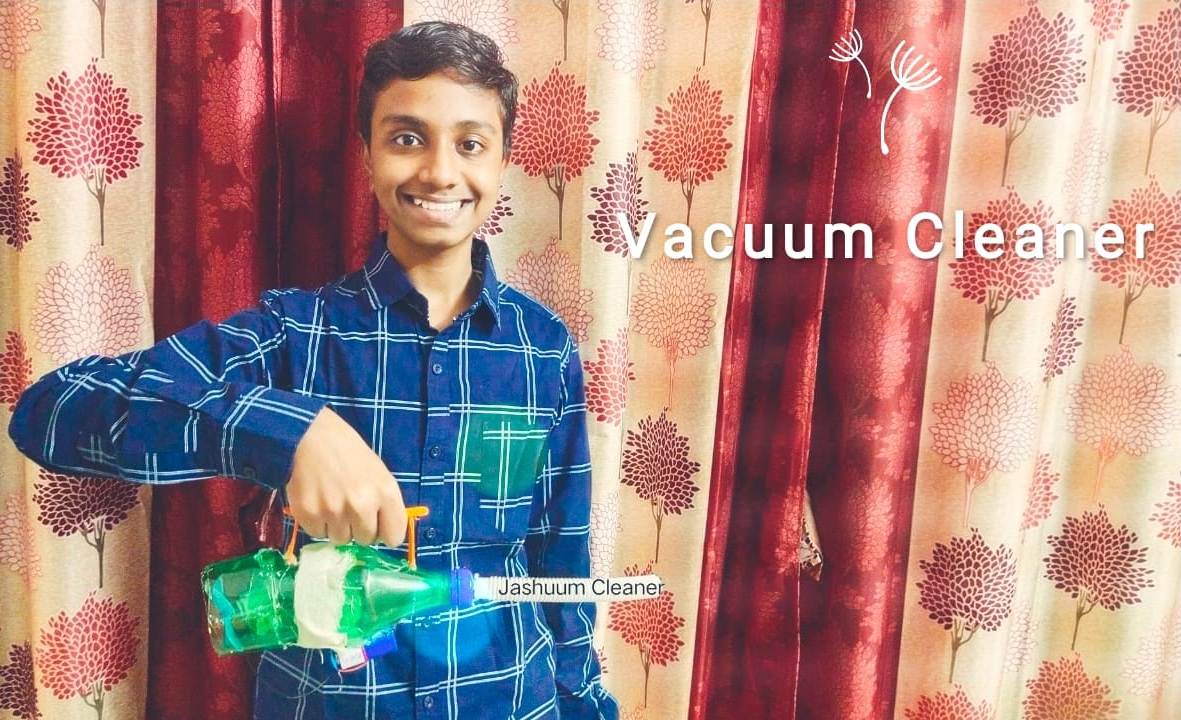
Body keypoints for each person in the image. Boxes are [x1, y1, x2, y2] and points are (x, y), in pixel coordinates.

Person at [9, 21, 618, 720]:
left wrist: (585, 704)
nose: (439, 172)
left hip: (511, 699)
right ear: (367, 154)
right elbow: (50, 411)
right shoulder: (294, 332)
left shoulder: (544, 348)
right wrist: (287, 432)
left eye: (470, 143)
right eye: (407, 137)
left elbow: (560, 563)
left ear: (503, 161)